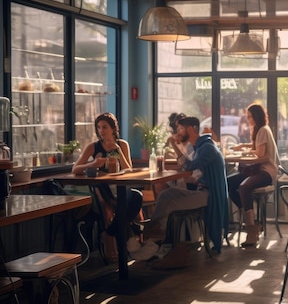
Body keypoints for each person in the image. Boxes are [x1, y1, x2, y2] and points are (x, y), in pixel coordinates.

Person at [148, 116, 229, 269]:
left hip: (208, 196)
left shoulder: (207, 148)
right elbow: (198, 172)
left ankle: (165, 245)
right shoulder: (201, 146)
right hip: (202, 191)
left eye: (180, 129)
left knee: (171, 204)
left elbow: (189, 167)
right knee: (166, 194)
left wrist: (173, 144)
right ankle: (155, 231)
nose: (177, 132)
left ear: (190, 129)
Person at [72, 112, 144, 255]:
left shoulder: (122, 144)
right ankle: (114, 240)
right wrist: (92, 164)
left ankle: (110, 233)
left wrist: (118, 150)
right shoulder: (93, 147)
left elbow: (128, 169)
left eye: (105, 127)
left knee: (137, 197)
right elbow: (75, 169)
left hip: (121, 186)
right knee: (121, 203)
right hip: (103, 188)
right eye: (98, 127)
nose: (101, 131)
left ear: (113, 129)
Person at [228, 104, 278, 247]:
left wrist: (244, 152)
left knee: (244, 187)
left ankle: (251, 228)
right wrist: (244, 147)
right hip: (258, 170)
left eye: (249, 116)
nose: (247, 119)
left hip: (267, 172)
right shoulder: (260, 130)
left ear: (256, 116)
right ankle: (254, 222)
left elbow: (260, 154)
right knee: (229, 184)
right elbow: (256, 147)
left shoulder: (262, 130)